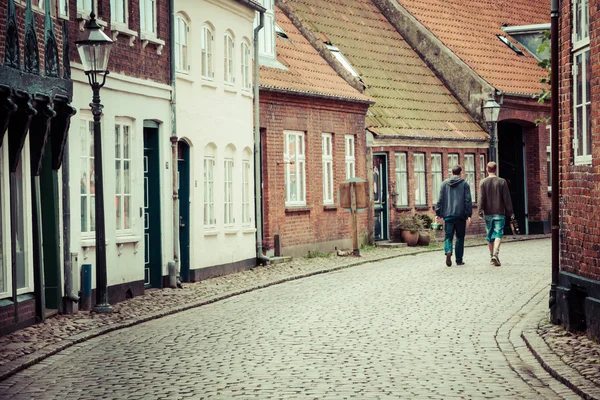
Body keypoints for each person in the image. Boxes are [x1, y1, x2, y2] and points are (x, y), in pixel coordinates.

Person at [478, 161, 514, 267]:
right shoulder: (502, 182)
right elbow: (507, 198)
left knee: (489, 235)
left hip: (488, 213)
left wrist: (480, 211)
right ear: (496, 169)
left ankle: (491, 256)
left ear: (486, 169)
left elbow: (481, 199)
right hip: (499, 213)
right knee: (498, 233)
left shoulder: (482, 182)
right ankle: (495, 254)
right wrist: (510, 212)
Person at [435, 165, 472, 267]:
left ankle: (448, 251)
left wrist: (438, 213)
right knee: (460, 237)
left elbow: (440, 199)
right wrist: (468, 215)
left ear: (452, 172)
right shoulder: (464, 184)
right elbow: (467, 200)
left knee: (448, 236)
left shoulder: (444, 184)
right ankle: (459, 260)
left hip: (448, 215)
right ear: (460, 173)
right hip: (460, 216)